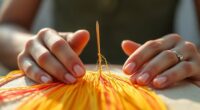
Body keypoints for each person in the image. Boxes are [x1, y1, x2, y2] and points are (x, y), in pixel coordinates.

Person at [0, 0, 200, 89]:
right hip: (62, 87)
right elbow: (5, 28)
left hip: (156, 88)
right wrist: (37, 49)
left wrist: (190, 57)